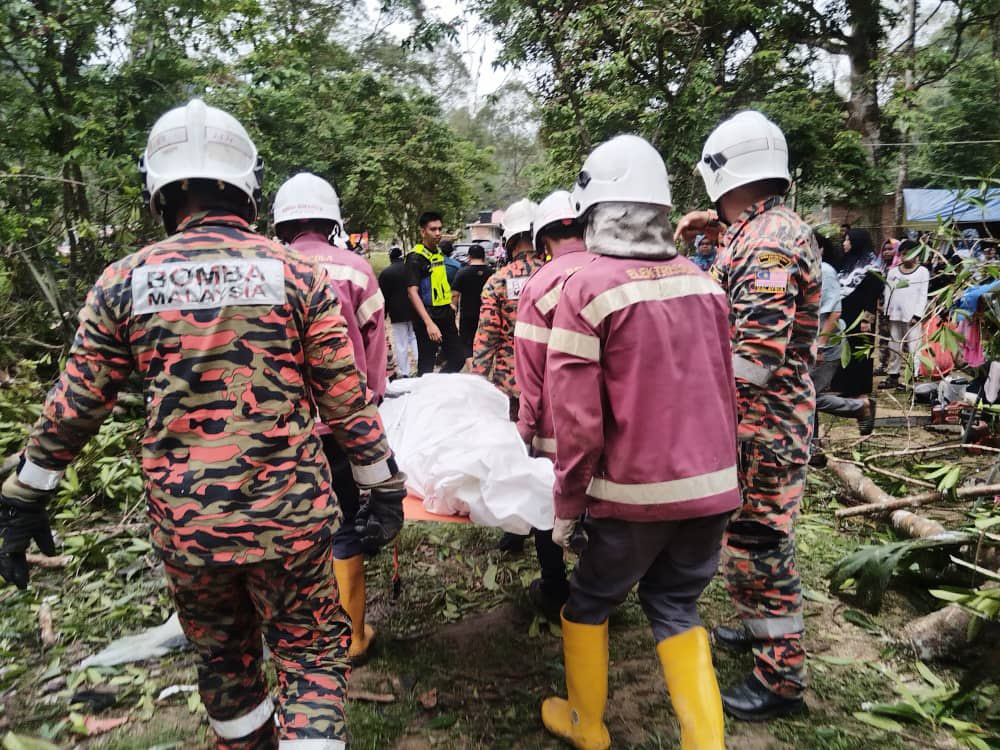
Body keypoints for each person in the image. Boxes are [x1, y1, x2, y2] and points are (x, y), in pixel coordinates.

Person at [0, 99, 407, 749]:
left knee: (225, 667)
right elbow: (346, 398)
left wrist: (27, 492)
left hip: (190, 531)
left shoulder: (124, 282)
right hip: (291, 518)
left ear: (158, 193)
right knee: (308, 662)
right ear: (248, 186)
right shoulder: (296, 273)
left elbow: (76, 403)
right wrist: (383, 487)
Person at [542, 135, 740, 750]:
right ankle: (704, 743)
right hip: (713, 489)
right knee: (677, 606)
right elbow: (727, 391)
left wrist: (568, 506)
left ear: (592, 213)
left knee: (588, 603)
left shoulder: (587, 288)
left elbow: (576, 420)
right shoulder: (705, 286)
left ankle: (587, 725)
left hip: (632, 497)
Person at [675, 110, 820, 720]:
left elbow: (754, 357)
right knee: (745, 538)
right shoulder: (764, 229)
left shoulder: (766, 240)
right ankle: (759, 629)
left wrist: (692, 412)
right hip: (760, 423)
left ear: (724, 172)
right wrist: (715, 235)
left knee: (760, 545)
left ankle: (781, 678)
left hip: (764, 424)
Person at [273, 172, 389, 666]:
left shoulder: (268, 268)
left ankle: (295, 631)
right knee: (344, 522)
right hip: (342, 420)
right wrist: (371, 403)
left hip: (282, 426)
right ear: (331, 219)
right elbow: (376, 340)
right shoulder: (357, 269)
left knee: (287, 523)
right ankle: (353, 637)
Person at [511, 189, 583, 621]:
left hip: (557, 428)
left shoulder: (541, 284)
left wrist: (524, 427)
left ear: (542, 241)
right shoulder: (614, 274)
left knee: (548, 504)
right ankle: (598, 592)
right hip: (615, 428)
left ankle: (555, 587)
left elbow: (531, 371)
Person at [472, 198, 544, 555]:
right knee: (550, 455)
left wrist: (476, 383)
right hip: (557, 384)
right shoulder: (558, 274)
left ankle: (516, 529)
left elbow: (486, 339)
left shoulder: (497, 283)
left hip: (514, 387)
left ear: (508, 237)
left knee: (517, 452)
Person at [809, 232, 875, 468]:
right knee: (808, 395)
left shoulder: (824, 271)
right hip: (808, 344)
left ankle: (860, 407)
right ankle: (813, 450)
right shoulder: (804, 270)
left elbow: (834, 312)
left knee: (808, 397)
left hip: (826, 344)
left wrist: (822, 346)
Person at [405, 211, 465, 375]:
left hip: (445, 313)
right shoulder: (415, 257)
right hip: (427, 316)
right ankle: (423, 395)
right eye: (433, 229)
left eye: (440, 229)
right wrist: (428, 323)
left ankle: (438, 385)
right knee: (426, 365)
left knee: (458, 358)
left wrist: (452, 305)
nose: (438, 233)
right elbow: (412, 292)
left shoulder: (437, 253)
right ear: (423, 232)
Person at [831, 228, 883, 398]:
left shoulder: (872, 265)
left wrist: (867, 319)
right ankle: (841, 385)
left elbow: (873, 293)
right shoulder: (844, 261)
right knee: (843, 347)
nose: (844, 243)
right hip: (844, 314)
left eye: (848, 240)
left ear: (857, 242)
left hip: (861, 316)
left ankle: (858, 387)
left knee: (859, 349)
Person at [880, 239, 930, 390]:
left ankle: (911, 377)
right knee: (894, 345)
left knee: (914, 347)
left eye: (908, 253)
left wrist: (917, 314)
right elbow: (888, 292)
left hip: (912, 317)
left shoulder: (922, 272)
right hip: (895, 315)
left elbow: (923, 295)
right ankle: (893, 375)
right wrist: (887, 312)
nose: (905, 257)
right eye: (902, 254)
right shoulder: (893, 272)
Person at [379, 247, 418, 377]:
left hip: (396, 311)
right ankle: (420, 365)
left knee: (400, 342)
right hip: (414, 308)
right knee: (415, 338)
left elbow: (383, 296)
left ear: (390, 257)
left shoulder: (386, 273)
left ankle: (404, 371)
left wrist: (384, 313)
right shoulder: (410, 269)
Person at [451, 244, 493, 357]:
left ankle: (471, 369)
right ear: (483, 256)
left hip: (468, 314)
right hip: (487, 313)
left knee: (467, 343)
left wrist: (454, 309)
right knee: (485, 341)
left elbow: (455, 294)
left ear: (469, 257)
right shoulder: (491, 273)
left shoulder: (463, 272)